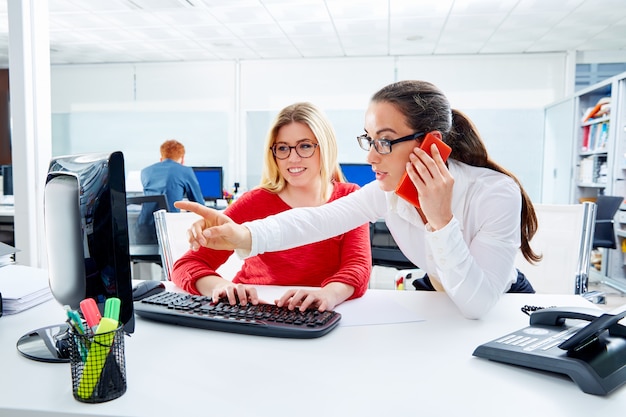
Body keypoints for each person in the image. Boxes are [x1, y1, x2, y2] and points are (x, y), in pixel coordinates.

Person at [177, 80, 540, 319]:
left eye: (384, 140)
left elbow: (477, 305)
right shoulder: (387, 193)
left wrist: (441, 220)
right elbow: (318, 220)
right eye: (369, 140)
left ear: (430, 143)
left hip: (499, 301)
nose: (371, 157)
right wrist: (246, 237)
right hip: (439, 296)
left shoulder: (495, 193)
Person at [171, 102, 371, 312]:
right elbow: (186, 266)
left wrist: (328, 294)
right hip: (256, 311)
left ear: (325, 147)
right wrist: (222, 286)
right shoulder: (255, 201)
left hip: (316, 315)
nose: (292, 158)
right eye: (283, 148)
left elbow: (357, 267)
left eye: (305, 146)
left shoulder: (349, 197)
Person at [141, 139, 204, 213]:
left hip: (143, 222)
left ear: (161, 158)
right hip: (169, 222)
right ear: (182, 159)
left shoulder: (145, 171)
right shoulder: (185, 171)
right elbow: (199, 205)